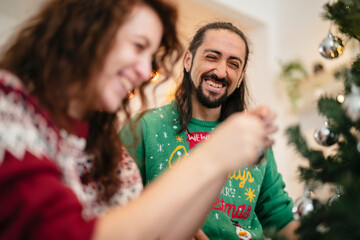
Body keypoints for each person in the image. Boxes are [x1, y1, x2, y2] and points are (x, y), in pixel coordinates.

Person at [0, 1, 276, 240]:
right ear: (90, 31)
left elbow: (158, 235)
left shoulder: (107, 148)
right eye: (138, 46)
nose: (146, 71)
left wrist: (222, 164)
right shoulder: (9, 107)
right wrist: (212, 157)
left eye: (150, 56)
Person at [121, 22, 299, 239]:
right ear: (188, 60)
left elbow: (278, 215)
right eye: (212, 57)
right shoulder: (145, 127)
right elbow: (118, 209)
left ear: (241, 77)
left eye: (233, 64)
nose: (221, 72)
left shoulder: (249, 135)